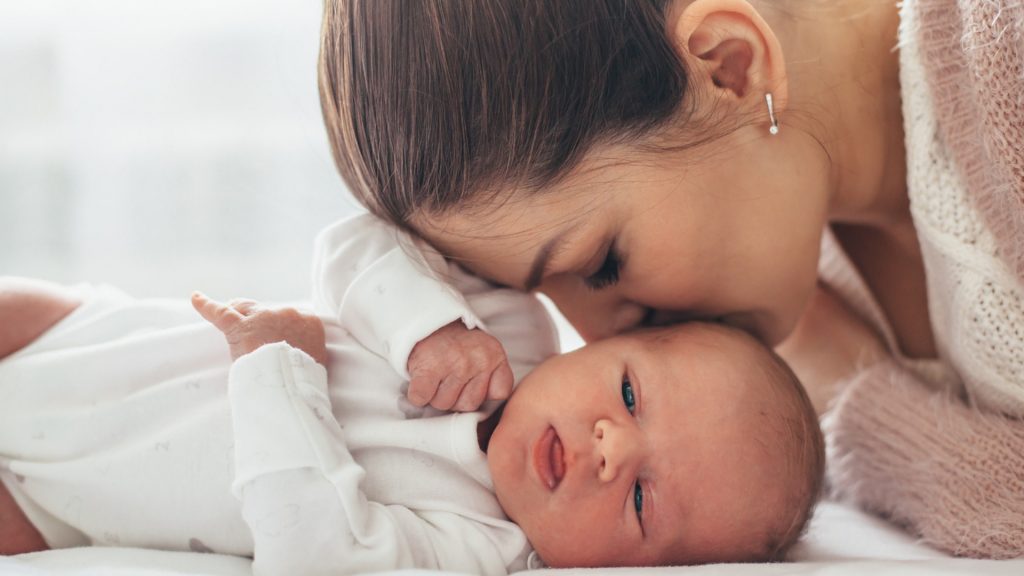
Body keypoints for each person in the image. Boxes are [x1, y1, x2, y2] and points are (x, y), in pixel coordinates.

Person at [317, 0, 1024, 559]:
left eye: (602, 264)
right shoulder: (795, 269)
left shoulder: (1004, 61)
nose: (597, 336)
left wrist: (855, 402)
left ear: (730, 65)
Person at [0, 214, 825, 572]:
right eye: (634, 397)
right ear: (606, 341)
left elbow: (315, 557)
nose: (612, 448)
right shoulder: (505, 321)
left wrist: (277, 369)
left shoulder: (472, 546)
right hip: (86, 340)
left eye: (644, 501)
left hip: (57, 507)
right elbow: (356, 242)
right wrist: (428, 329)